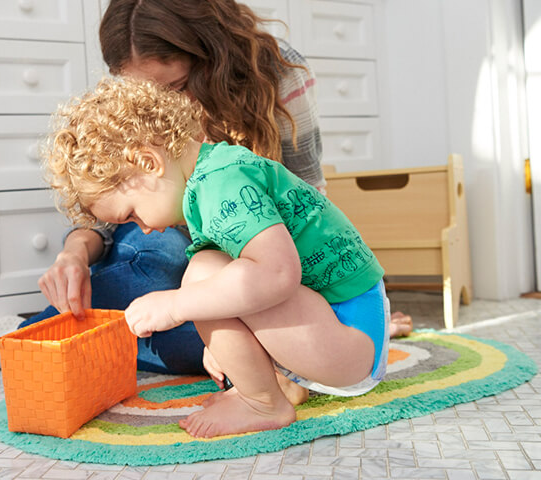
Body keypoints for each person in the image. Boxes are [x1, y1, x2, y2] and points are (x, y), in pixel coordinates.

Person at [29, 0, 411, 376]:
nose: (159, 110)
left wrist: (184, 305)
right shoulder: (170, 182)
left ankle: (54, 336)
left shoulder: (225, 169)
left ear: (208, 53)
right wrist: (75, 252)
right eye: (145, 96)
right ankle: (66, 335)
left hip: (275, 266)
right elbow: (116, 194)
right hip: (200, 242)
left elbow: (305, 213)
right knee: (179, 276)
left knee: (184, 288)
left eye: (175, 87)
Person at [43, 76, 391, 438]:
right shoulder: (213, 176)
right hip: (337, 333)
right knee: (208, 272)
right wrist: (229, 346)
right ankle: (270, 386)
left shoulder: (222, 184)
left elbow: (276, 274)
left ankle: (263, 403)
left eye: (131, 213)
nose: (141, 228)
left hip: (350, 341)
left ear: (149, 163)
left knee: (203, 275)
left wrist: (177, 304)